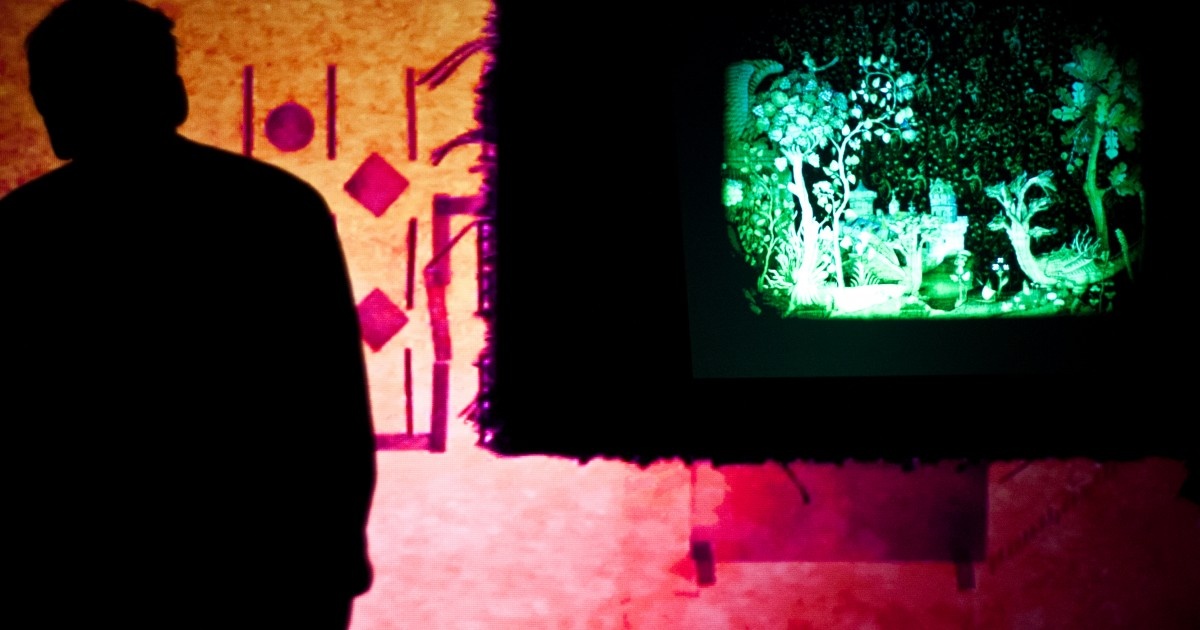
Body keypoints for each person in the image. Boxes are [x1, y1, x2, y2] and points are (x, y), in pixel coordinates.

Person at [0, 1, 377, 627]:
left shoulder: (23, 231)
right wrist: (333, 564)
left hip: (80, 574)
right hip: (261, 571)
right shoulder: (278, 210)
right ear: (171, 94)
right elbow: (329, 406)